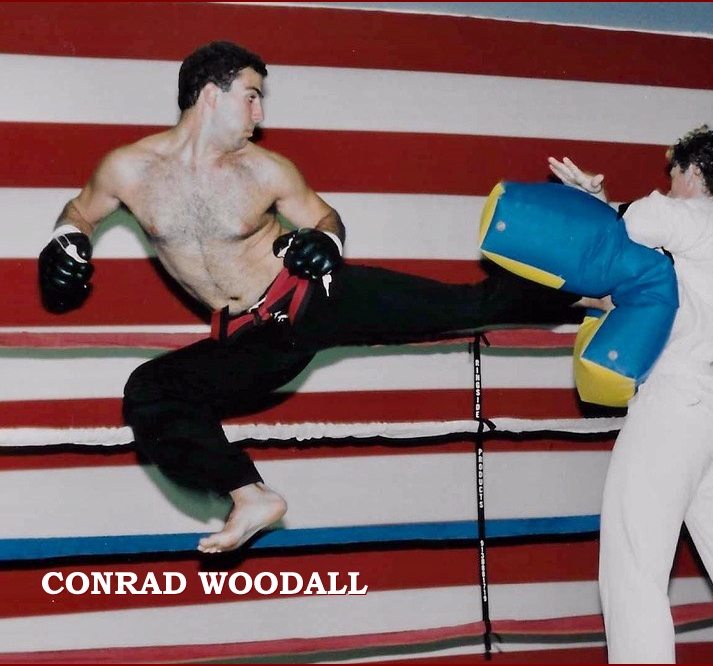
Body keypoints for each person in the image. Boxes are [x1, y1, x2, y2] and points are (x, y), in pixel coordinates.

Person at [38, 41, 590, 555]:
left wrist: (327, 242)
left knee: (464, 306)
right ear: (211, 94)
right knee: (151, 391)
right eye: (251, 96)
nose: (260, 115)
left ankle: (591, 289)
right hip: (256, 339)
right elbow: (81, 210)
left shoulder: (265, 170)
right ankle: (250, 495)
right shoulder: (128, 169)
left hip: (315, 296)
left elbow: (325, 217)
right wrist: (66, 240)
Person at [549, 128, 713, 663]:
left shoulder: (707, 218)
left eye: (673, 175)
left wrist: (596, 199)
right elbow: (641, 250)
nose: (668, 186)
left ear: (695, 172)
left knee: (633, 565)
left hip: (679, 403)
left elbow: (639, 221)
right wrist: (602, 205)